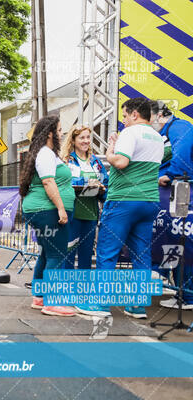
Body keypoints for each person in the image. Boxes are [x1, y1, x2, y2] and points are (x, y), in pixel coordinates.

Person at [77, 97, 163, 319]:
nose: (123, 120)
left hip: (123, 201)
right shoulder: (157, 136)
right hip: (149, 201)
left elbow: (121, 162)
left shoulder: (130, 133)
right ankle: (137, 305)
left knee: (108, 251)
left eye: (125, 115)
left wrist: (110, 150)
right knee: (141, 254)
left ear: (135, 114)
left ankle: (100, 304)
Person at [19, 115, 76, 317]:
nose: (61, 134)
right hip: (47, 211)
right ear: (50, 133)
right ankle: (52, 302)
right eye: (59, 130)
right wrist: (61, 208)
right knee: (57, 254)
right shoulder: (45, 153)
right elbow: (48, 182)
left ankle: (40, 297)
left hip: (42, 210)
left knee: (46, 252)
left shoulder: (44, 152)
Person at [149, 101, 193, 310]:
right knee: (175, 239)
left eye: (149, 119)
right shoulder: (165, 132)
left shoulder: (180, 128)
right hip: (175, 191)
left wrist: (168, 174)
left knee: (185, 240)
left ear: (158, 115)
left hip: (183, 190)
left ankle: (188, 295)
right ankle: (181, 291)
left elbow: (182, 158)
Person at [60, 125, 108, 269]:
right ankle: (65, 288)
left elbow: (105, 182)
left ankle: (83, 288)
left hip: (91, 215)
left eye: (88, 137)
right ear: (73, 140)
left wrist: (101, 188)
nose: (86, 141)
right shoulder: (66, 160)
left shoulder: (95, 161)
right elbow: (64, 182)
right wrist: (87, 182)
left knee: (86, 256)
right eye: (82, 137)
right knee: (68, 253)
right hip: (72, 214)